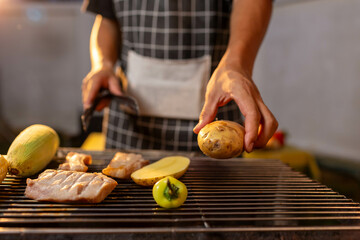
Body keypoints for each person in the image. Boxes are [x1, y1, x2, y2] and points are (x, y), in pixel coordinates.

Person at [82, 0, 278, 153]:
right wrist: (103, 64)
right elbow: (106, 17)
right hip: (129, 127)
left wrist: (236, 65)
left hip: (215, 125)